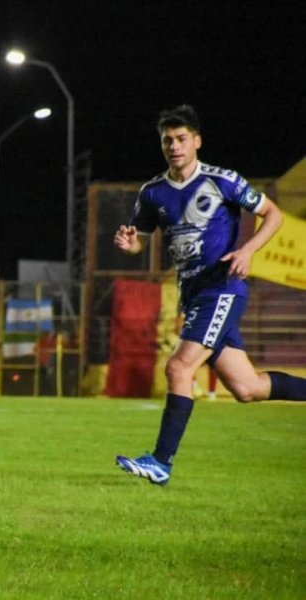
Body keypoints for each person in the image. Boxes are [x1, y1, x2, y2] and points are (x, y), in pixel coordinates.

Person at [114, 104, 306, 485]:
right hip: (195, 295)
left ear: (197, 141)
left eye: (182, 139)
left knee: (178, 367)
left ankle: (161, 461)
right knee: (247, 388)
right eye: (167, 140)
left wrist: (249, 250)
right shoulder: (153, 193)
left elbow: (275, 215)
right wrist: (130, 244)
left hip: (223, 289)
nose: (174, 146)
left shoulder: (224, 181)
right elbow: (141, 239)